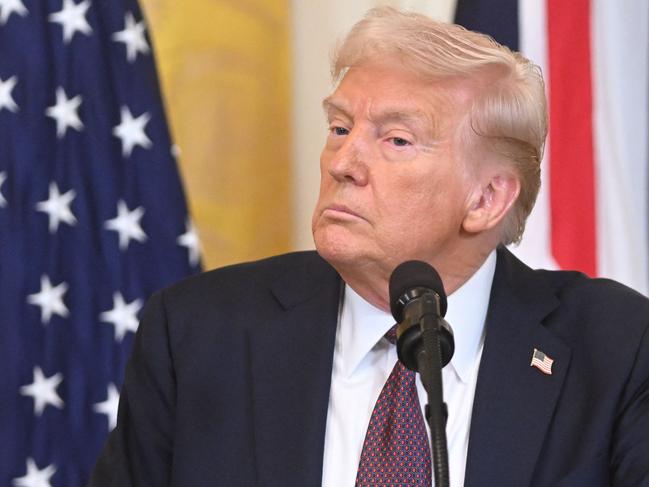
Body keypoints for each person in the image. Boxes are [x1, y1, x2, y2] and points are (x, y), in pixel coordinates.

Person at [89, 7, 649, 487]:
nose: (342, 163)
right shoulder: (198, 333)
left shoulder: (616, 350)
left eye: (396, 140)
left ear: (486, 199)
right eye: (339, 128)